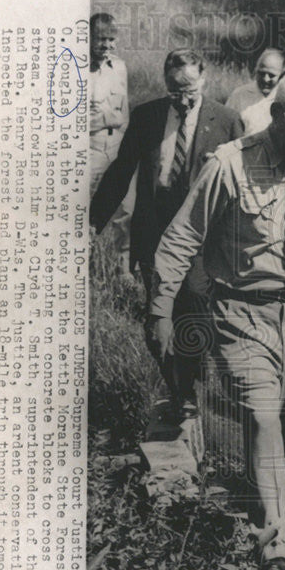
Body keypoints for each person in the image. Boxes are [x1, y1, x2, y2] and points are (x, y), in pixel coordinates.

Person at [147, 70, 285, 570]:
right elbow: (180, 238)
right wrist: (160, 310)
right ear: (277, 115)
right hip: (241, 313)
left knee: (279, 429)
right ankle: (278, 544)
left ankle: (275, 516)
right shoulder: (230, 164)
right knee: (260, 421)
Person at [89, 49, 243, 416]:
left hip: (202, 235)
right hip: (154, 231)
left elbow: (243, 183)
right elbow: (120, 171)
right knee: (157, 312)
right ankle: (180, 386)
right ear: (165, 84)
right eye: (175, 91)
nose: (184, 98)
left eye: (190, 89)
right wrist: (94, 222)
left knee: (192, 303)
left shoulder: (226, 121)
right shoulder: (147, 117)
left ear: (204, 79)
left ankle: (189, 387)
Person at [89, 13, 130, 265]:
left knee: (123, 210)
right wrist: (105, 119)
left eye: (111, 39)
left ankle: (119, 267)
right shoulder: (74, 68)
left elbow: (124, 111)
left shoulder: (120, 67)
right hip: (89, 150)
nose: (107, 45)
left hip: (116, 149)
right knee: (85, 208)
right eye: (101, 39)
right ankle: (83, 263)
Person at [226, 47, 285, 115]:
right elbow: (226, 122)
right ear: (256, 71)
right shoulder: (239, 95)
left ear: (281, 75)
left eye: (271, 75)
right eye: (262, 73)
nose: (266, 79)